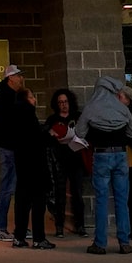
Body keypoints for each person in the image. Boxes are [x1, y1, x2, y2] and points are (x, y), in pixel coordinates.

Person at [80, 74, 132, 255]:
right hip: (121, 154)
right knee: (122, 200)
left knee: (102, 200)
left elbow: (80, 132)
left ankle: (100, 243)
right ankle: (124, 242)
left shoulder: (91, 108)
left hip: (101, 155)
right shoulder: (121, 108)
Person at [0, 66, 50, 246]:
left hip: (13, 146)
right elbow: (12, 124)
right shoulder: (7, 97)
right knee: (10, 187)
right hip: (10, 147)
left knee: (19, 189)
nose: (21, 79)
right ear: (10, 78)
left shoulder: (7, 96)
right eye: (18, 76)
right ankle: (1, 227)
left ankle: (21, 229)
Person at [46, 87, 87, 237]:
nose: (63, 105)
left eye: (65, 102)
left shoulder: (78, 117)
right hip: (59, 160)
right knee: (59, 194)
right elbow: (46, 138)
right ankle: (59, 226)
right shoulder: (53, 119)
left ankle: (80, 225)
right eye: (60, 102)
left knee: (77, 193)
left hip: (76, 159)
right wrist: (52, 134)